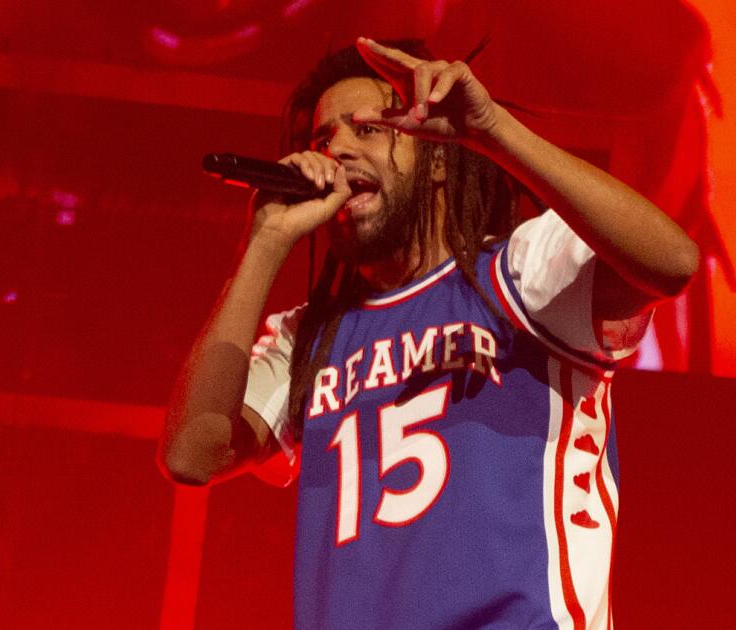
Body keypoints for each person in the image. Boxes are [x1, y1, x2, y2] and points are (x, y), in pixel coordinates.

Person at [159, 37, 698, 630]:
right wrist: (264, 242)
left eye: (367, 130)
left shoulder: (522, 274)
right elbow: (191, 456)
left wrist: (492, 131)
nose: (337, 150)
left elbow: (672, 262)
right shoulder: (308, 339)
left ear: (439, 159)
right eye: (322, 140)